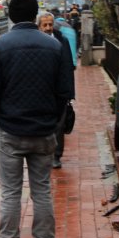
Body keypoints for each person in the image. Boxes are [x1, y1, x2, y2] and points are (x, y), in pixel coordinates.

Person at [0, 0, 71, 238]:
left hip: (10, 130)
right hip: (44, 131)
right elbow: (64, 91)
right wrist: (53, 121)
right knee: (42, 191)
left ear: (10, 15)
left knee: (10, 194)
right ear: (35, 16)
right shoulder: (55, 46)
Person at [37, 11, 77, 169]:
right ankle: (43, 153)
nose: (48, 28)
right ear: (39, 27)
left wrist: (70, 93)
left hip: (59, 92)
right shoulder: (35, 42)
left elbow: (68, 67)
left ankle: (56, 155)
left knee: (59, 126)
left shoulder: (62, 40)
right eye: (44, 25)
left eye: (50, 25)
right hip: (41, 91)